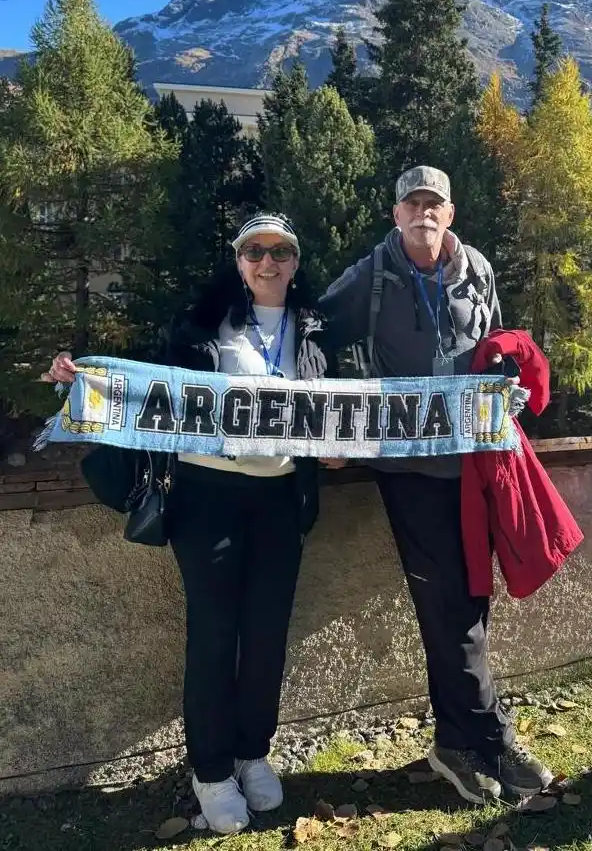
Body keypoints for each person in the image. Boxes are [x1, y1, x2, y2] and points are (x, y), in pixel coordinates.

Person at [43, 213, 335, 835]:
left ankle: (252, 751)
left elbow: (339, 411)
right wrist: (86, 381)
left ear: (295, 262)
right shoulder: (200, 324)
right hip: (208, 498)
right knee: (214, 633)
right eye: (254, 251)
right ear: (238, 261)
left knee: (266, 635)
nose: (267, 263)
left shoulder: (313, 331)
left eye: (279, 252)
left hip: (282, 499)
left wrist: (338, 446)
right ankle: (210, 769)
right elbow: (146, 388)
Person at [319, 166, 553, 805]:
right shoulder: (371, 275)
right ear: (396, 214)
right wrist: (333, 425)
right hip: (410, 473)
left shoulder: (475, 269)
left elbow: (495, 347)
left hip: (475, 465)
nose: (423, 212)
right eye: (412, 203)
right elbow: (314, 335)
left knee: (472, 601)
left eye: (434, 203)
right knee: (446, 606)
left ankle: (466, 739)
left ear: (450, 213)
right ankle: (485, 738)